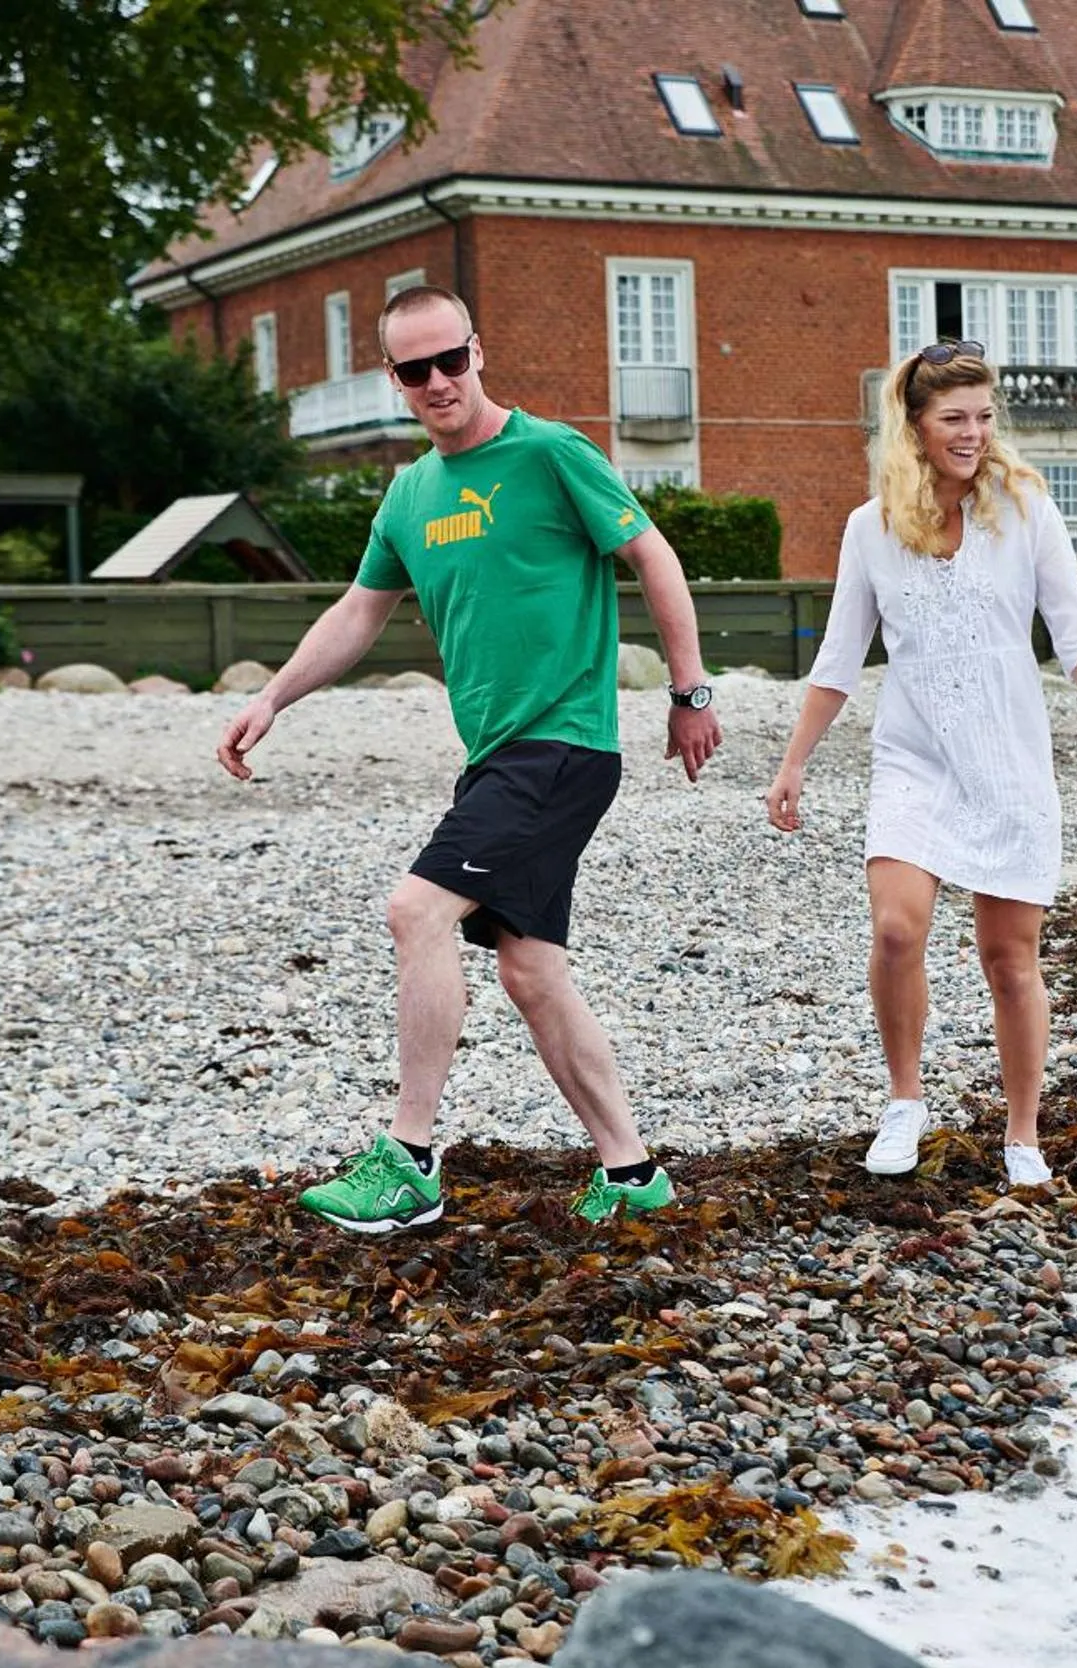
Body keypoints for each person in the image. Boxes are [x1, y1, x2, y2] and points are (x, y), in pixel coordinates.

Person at [217, 283, 723, 1232]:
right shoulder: (410, 493)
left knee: (416, 911)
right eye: (418, 370)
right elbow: (360, 611)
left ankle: (407, 1160)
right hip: (497, 757)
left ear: (478, 352)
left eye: (453, 359)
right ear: (395, 381)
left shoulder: (550, 453)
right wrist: (272, 696)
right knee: (531, 972)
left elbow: (653, 555)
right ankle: (632, 1171)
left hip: (562, 744)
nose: (440, 381)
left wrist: (689, 691)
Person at [764, 342, 1077, 1188]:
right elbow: (837, 659)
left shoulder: (1026, 509)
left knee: (1010, 959)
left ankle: (1021, 1134)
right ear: (914, 426)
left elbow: (1074, 623)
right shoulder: (870, 530)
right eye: (954, 420)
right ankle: (905, 1100)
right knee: (898, 928)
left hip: (1009, 757)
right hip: (913, 755)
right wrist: (793, 765)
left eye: (983, 417)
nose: (973, 434)